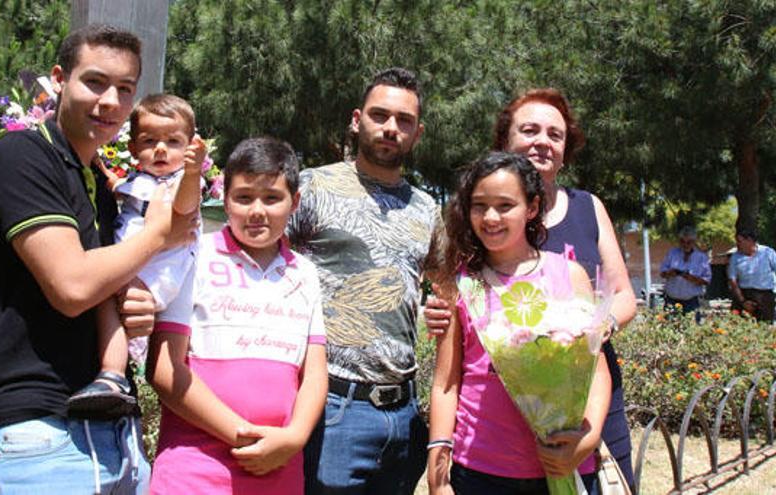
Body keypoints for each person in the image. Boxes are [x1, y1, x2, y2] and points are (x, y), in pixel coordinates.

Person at [0, 24, 196, 494]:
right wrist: (159, 235)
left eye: (125, 89)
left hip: (119, 434)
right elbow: (72, 287)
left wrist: (136, 302)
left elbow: (105, 283)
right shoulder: (24, 156)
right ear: (59, 79)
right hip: (39, 433)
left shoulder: (104, 187)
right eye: (95, 81)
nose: (110, 101)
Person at [425, 88, 638, 490]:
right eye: (479, 206)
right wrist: (439, 471)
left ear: (531, 208)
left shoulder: (570, 265)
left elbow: (597, 365)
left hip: (566, 453)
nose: (491, 217)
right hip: (483, 464)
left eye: (505, 206)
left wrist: (588, 440)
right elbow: (446, 382)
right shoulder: (463, 280)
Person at [287, 67, 443, 494]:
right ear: (357, 120)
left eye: (404, 121)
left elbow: (448, 287)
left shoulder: (427, 209)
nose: (391, 128)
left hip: (405, 414)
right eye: (380, 115)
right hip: (333, 407)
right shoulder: (311, 188)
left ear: (417, 132)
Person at [146, 137, 328, 494]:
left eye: (272, 198)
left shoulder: (305, 273)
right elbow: (165, 370)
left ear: (295, 202)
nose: (257, 211)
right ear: (224, 198)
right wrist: (241, 436)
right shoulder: (193, 257)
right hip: (194, 473)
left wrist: (294, 438)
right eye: (244, 197)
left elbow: (315, 373)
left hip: (280, 471)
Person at [68, 93, 206, 415]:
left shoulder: (178, 183)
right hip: (133, 264)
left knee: (106, 299)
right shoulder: (143, 180)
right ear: (132, 149)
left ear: (188, 148)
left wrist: (193, 172)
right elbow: (122, 187)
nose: (161, 149)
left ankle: (113, 373)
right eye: (150, 140)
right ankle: (114, 374)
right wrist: (102, 171)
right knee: (105, 302)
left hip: (157, 271)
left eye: (173, 141)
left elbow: (184, 210)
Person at [659, 226, 711, 319]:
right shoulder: (672, 253)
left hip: (692, 302)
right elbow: (662, 273)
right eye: (682, 241)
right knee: (669, 331)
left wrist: (691, 278)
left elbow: (707, 280)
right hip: (672, 300)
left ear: (694, 242)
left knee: (693, 330)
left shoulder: (701, 257)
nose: (685, 244)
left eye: (689, 242)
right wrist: (670, 273)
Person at [727, 227, 776, 322]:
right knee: (740, 327)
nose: (737, 244)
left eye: (739, 241)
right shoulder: (735, 257)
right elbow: (732, 280)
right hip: (744, 294)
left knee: (765, 328)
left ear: (749, 240)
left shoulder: (768, 253)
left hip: (765, 296)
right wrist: (743, 301)